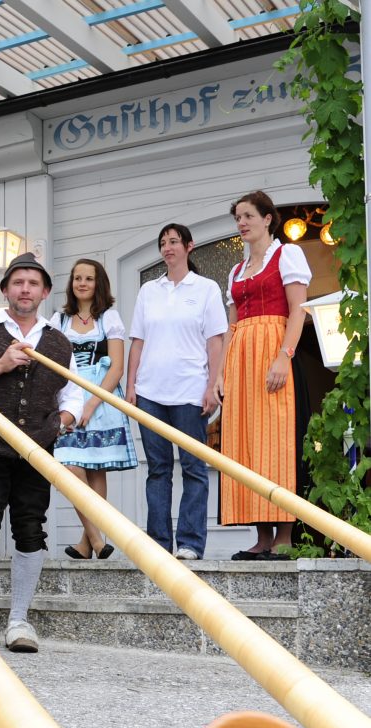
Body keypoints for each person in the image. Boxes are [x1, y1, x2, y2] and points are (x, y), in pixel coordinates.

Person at [0, 252, 83, 654]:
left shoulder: (58, 341)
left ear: (44, 292)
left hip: (36, 451)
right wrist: (0, 365)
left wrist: (62, 420)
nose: (25, 289)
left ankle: (19, 621)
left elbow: (72, 393)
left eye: (33, 283)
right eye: (18, 282)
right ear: (6, 289)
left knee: (30, 529)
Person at [216, 190, 311, 559]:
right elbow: (231, 325)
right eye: (237, 217)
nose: (241, 223)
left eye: (247, 216)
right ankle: (262, 535)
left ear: (267, 218)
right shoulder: (236, 270)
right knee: (246, 442)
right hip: (241, 358)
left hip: (273, 349)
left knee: (277, 441)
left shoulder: (288, 254)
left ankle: (285, 535)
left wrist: (284, 357)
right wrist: (222, 373)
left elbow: (298, 310)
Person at [126, 223, 227, 561]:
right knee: (157, 470)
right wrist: (130, 386)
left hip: (189, 390)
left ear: (189, 246)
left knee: (194, 468)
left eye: (173, 242)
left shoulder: (207, 288)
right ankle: (158, 544)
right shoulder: (148, 291)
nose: (167, 248)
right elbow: (137, 342)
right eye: (163, 243)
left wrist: (214, 383)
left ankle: (190, 543)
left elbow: (215, 341)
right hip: (150, 392)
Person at [51, 259, 136, 559]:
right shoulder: (58, 321)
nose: (82, 283)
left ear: (98, 283)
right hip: (67, 398)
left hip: (100, 398)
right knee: (70, 463)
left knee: (96, 469)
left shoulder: (109, 317)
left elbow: (116, 368)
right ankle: (97, 540)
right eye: (77, 278)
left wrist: (92, 402)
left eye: (88, 278)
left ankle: (86, 544)